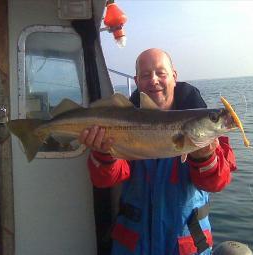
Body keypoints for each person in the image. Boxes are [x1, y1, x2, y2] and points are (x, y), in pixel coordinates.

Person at [79, 48, 236, 255]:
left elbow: (217, 183)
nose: (153, 80)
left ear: (174, 76)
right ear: (136, 81)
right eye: (145, 75)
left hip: (184, 246)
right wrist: (103, 153)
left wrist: (205, 157)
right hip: (133, 246)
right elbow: (105, 180)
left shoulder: (207, 128)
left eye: (161, 73)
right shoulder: (120, 121)